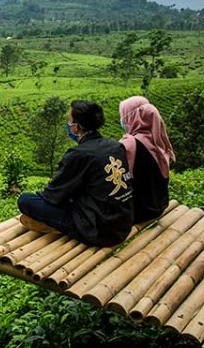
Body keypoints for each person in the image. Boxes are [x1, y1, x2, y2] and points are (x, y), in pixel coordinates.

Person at [17, 100, 134, 247]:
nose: (68, 124)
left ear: (77, 127)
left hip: (98, 230)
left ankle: (58, 227)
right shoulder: (116, 146)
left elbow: (52, 195)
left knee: (25, 200)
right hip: (122, 224)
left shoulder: (79, 154)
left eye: (69, 121)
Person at [118, 96, 176, 223]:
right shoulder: (157, 138)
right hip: (159, 205)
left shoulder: (129, 144)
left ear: (132, 117)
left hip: (140, 212)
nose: (122, 120)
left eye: (123, 116)